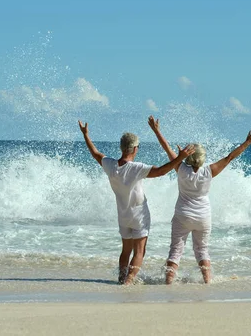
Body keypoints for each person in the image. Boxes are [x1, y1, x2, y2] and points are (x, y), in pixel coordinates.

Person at [78, 120, 195, 285]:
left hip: (123, 215)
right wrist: (181, 158)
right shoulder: (136, 168)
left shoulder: (110, 165)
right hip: (139, 215)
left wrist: (85, 135)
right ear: (135, 149)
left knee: (126, 250)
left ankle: (121, 279)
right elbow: (162, 171)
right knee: (139, 251)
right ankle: (128, 281)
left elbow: (95, 153)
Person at [148, 115, 251, 284]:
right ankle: (207, 280)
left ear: (187, 157)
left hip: (182, 215)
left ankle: (169, 282)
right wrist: (248, 142)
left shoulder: (180, 168)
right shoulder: (209, 171)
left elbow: (166, 148)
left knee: (176, 250)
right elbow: (230, 157)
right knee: (202, 250)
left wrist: (157, 130)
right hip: (203, 216)